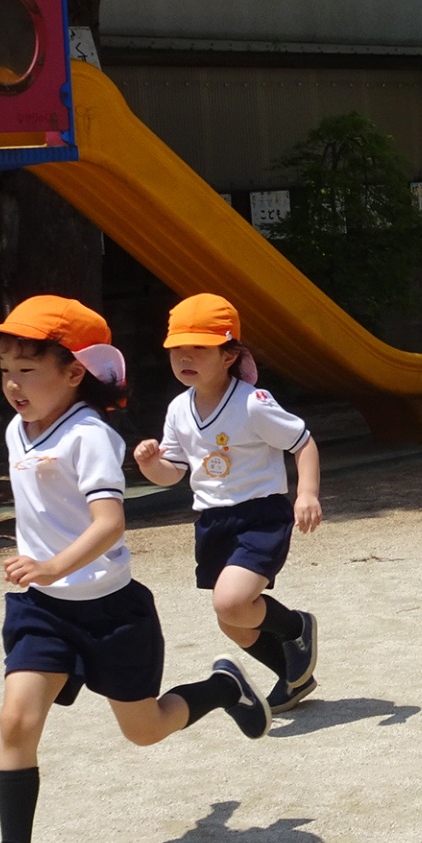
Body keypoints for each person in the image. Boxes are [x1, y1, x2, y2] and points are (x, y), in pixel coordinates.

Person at [0, 298, 272, 843]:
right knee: (16, 720)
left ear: (75, 373)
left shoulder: (89, 436)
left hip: (111, 612)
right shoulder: (17, 429)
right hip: (40, 609)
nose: (13, 384)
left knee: (145, 731)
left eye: (28, 369)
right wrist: (44, 578)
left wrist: (50, 563)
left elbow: (109, 523)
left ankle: (223, 688)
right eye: (6, 371)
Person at [132, 294, 323, 714]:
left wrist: (306, 493)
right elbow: (173, 473)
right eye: (177, 350)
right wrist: (151, 464)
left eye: (198, 347)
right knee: (232, 620)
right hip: (212, 521)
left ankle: (296, 627)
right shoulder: (178, 409)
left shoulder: (252, 403)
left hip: (260, 515)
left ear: (229, 354)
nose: (185, 356)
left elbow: (302, 442)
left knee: (231, 602)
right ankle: (294, 677)